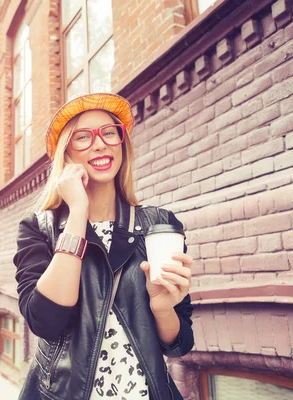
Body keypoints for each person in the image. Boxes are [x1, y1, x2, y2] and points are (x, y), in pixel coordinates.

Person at [13, 93, 194, 400]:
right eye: (83, 137)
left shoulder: (158, 226)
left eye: (109, 132)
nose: (100, 143)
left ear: (122, 145)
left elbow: (178, 343)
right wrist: (78, 212)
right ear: (66, 155)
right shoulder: (39, 229)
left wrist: (163, 309)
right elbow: (45, 321)